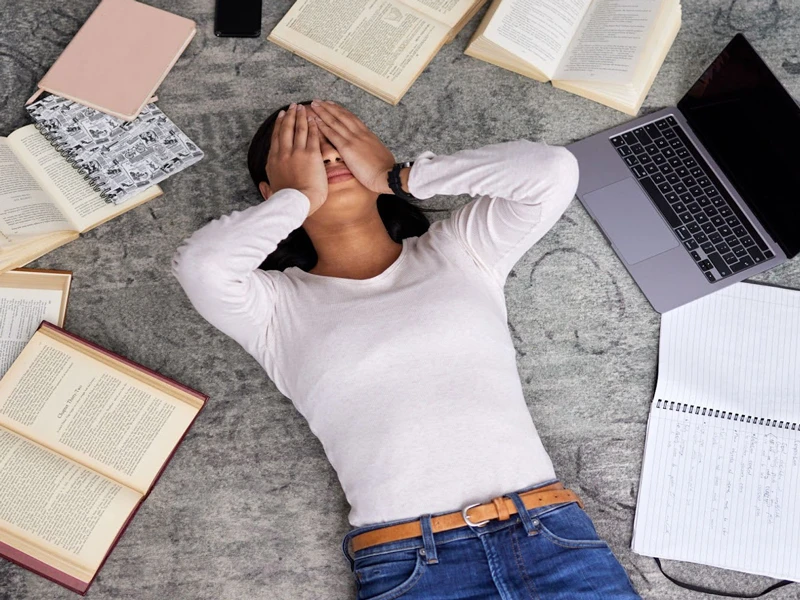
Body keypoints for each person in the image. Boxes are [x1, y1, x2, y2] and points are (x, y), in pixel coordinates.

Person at [172, 100, 642, 600]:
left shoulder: (462, 250)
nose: (329, 160)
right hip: (413, 565)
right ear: (269, 194)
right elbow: (200, 265)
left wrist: (399, 176)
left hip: (548, 535)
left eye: (339, 145)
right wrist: (297, 198)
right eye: (306, 155)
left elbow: (552, 170)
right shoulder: (270, 307)